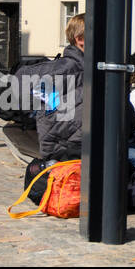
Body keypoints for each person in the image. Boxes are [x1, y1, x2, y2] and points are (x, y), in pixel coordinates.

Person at [32, 13, 86, 162]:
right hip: (65, 147)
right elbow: (50, 113)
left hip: (73, 142)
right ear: (80, 39)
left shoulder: (87, 68)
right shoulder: (68, 68)